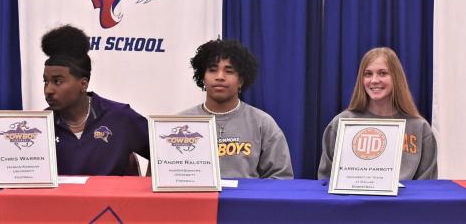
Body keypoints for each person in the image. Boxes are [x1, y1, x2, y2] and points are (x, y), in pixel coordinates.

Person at [41, 25, 150, 175]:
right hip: (62, 199)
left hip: (111, 199)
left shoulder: (120, 117)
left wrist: (147, 193)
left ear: (83, 84)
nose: (48, 90)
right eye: (46, 81)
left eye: (58, 81)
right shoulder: (40, 124)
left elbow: (164, 153)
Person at [179, 39, 293, 179]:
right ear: (203, 77)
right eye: (212, 70)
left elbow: (281, 178)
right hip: (196, 200)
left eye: (229, 71)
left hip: (247, 201)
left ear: (241, 80)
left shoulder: (262, 123)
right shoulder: (181, 123)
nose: (220, 77)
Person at [318, 47, 437, 180]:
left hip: (404, 201)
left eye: (383, 73)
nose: (374, 80)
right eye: (368, 74)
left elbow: (428, 187)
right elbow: (326, 180)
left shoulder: (420, 128)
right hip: (352, 200)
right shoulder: (340, 123)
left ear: (396, 78)